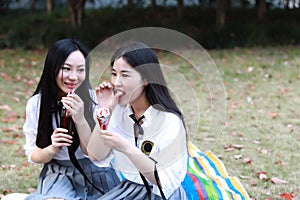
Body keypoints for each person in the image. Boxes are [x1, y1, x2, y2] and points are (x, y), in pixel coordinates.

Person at [88, 41, 188, 199]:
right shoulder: (118, 112)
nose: (116, 83)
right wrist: (104, 114)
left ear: (146, 79)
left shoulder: (169, 121)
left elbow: (163, 181)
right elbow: (95, 155)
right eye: (114, 74)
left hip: (161, 194)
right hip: (129, 190)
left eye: (125, 75)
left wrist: (127, 148)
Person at [23, 38, 120, 200]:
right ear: (52, 68)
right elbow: (33, 155)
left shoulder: (95, 99)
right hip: (58, 174)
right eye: (66, 69)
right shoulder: (37, 105)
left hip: (95, 172)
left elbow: (95, 154)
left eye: (80, 70)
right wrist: (52, 148)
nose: (73, 77)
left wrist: (80, 118)